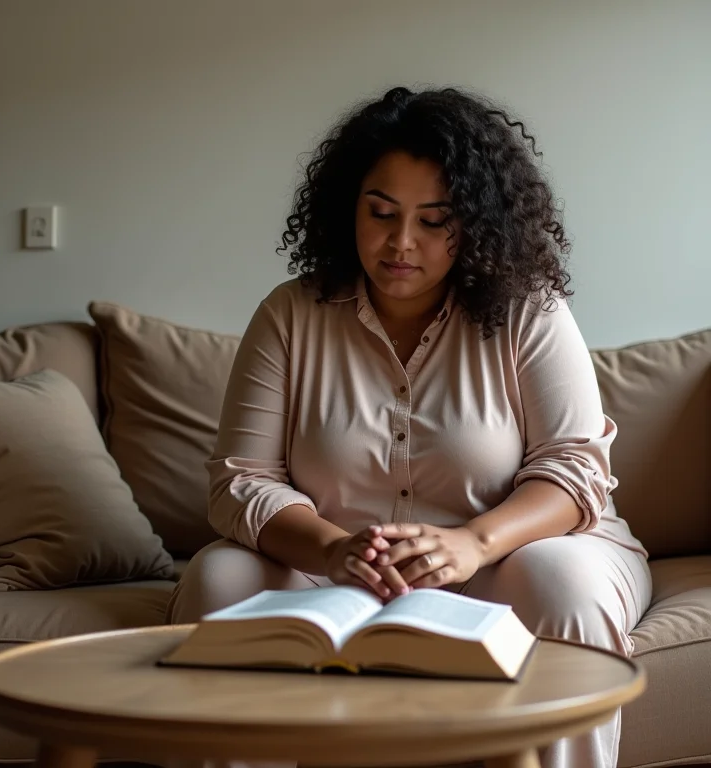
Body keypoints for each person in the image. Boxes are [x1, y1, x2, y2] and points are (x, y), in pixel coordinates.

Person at [167, 86, 651, 768]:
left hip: (507, 560)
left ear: (476, 223)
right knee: (218, 578)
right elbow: (241, 481)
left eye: (433, 221)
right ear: (349, 208)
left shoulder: (529, 312)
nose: (401, 243)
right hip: (336, 575)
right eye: (382, 213)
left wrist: (474, 543)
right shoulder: (289, 315)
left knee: (559, 580)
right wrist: (335, 551)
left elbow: (575, 468)